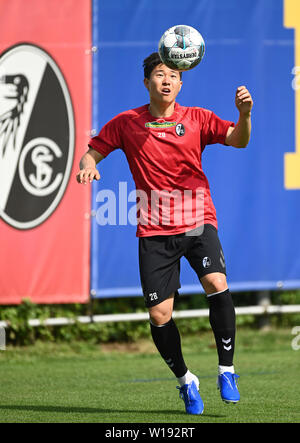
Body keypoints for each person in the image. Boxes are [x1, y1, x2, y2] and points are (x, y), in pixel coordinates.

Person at [76, 52, 253, 415]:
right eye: (160, 75)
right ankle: (186, 381)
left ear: (181, 82)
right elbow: (91, 153)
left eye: (173, 74)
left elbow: (238, 140)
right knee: (159, 315)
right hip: (154, 231)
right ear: (147, 83)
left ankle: (227, 370)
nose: (167, 80)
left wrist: (245, 115)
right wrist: (87, 168)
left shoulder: (198, 118)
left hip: (198, 220)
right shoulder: (127, 123)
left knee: (216, 282)